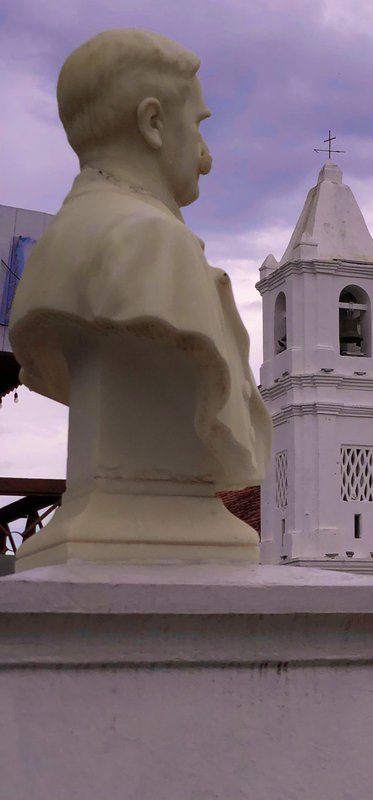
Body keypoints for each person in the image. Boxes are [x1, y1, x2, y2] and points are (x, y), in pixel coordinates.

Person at [10, 30, 271, 564]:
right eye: (196, 125)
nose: (207, 157)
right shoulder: (150, 244)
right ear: (153, 123)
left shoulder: (58, 245)